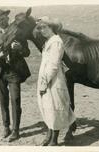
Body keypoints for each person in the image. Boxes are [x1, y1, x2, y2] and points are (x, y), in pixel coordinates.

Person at [0, 8, 31, 142]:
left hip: (14, 72)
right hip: (0, 73)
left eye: (3, 19)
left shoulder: (19, 33)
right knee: (3, 101)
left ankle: (16, 131)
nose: (1, 22)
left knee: (15, 100)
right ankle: (6, 127)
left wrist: (21, 49)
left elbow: (27, 52)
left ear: (7, 18)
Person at [36, 16, 76, 146]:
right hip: (47, 78)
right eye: (40, 28)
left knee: (55, 107)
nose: (42, 30)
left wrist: (44, 82)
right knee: (49, 108)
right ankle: (50, 137)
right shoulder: (49, 41)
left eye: (44, 27)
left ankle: (54, 140)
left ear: (51, 27)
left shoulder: (56, 42)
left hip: (53, 80)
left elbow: (53, 65)